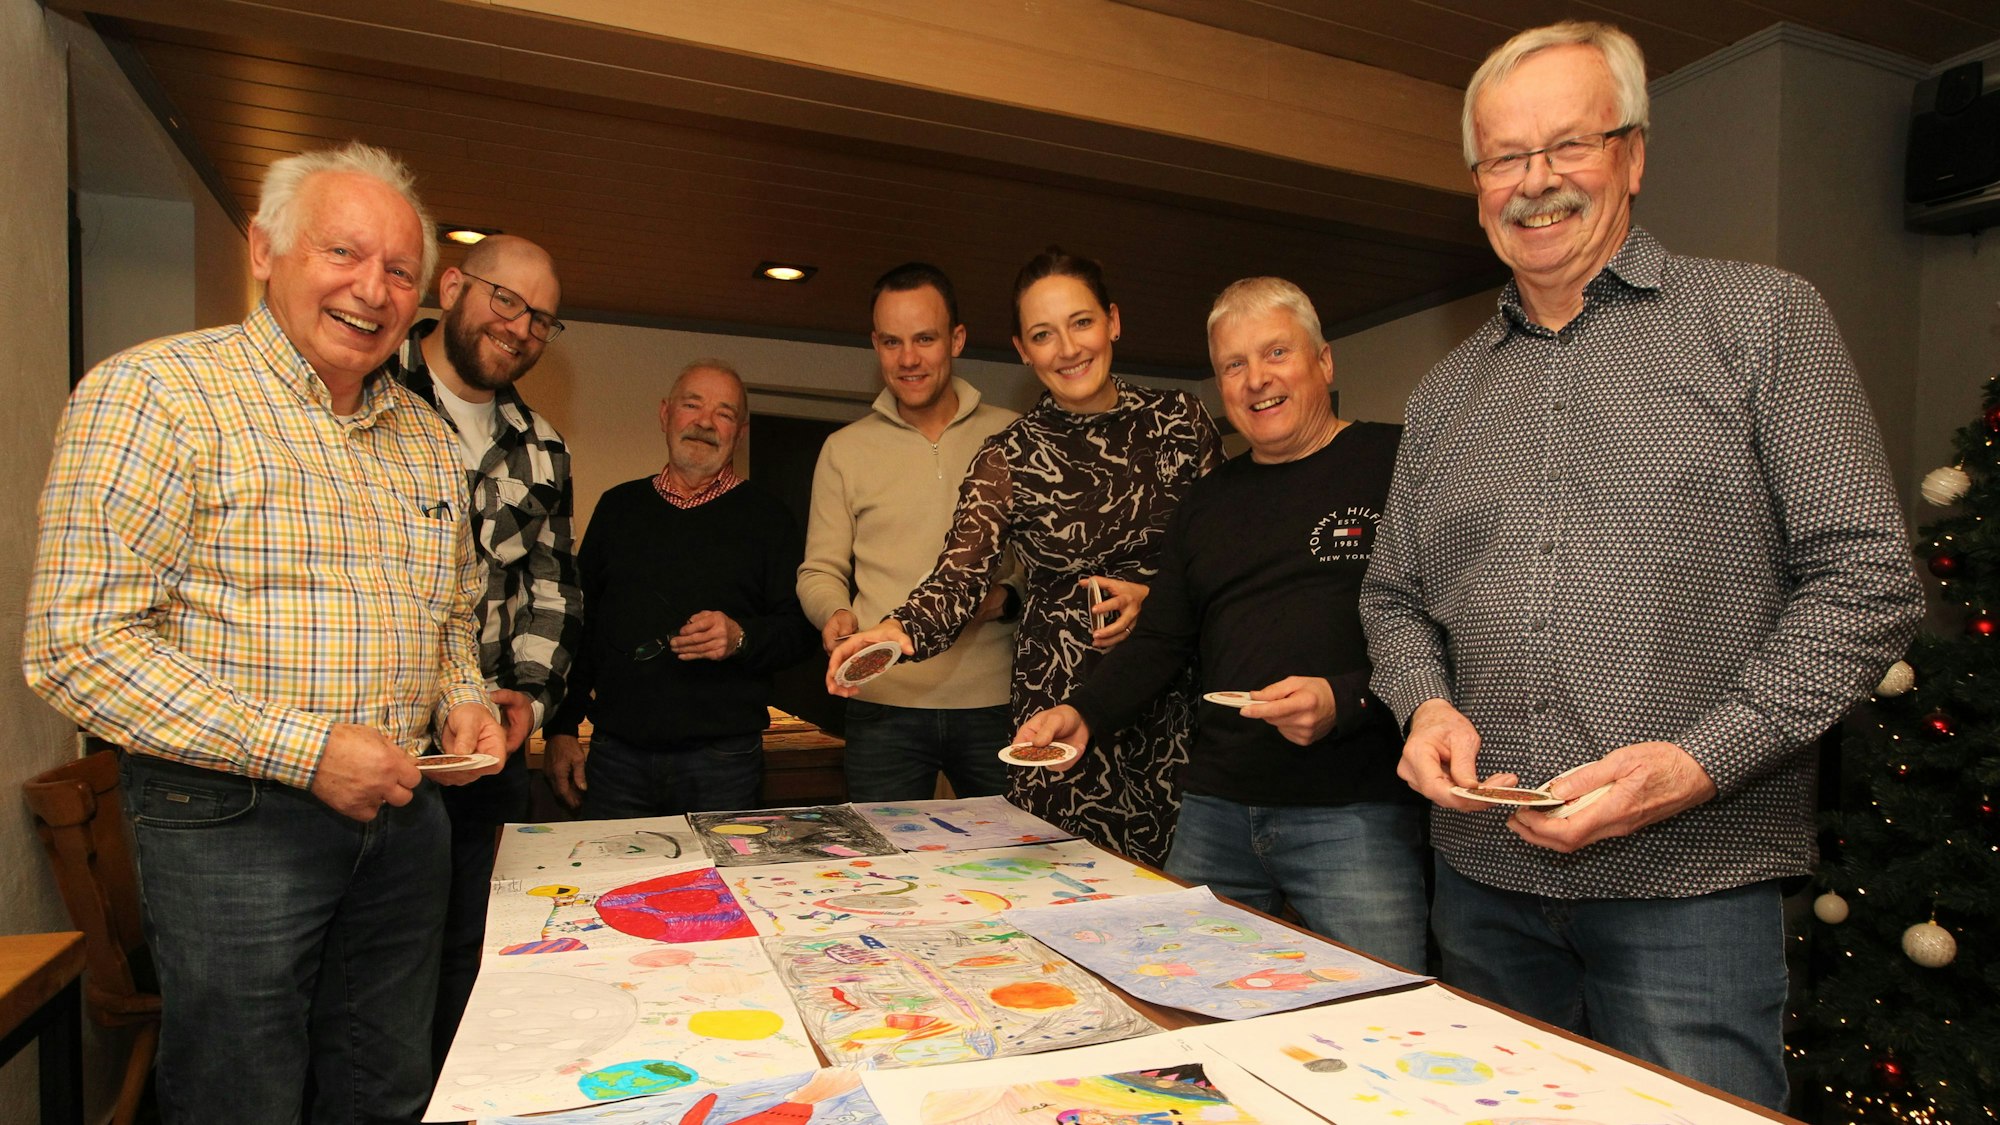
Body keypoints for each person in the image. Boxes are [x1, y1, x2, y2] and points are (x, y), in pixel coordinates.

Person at [1356, 21, 1925, 1108]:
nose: (1533, 183)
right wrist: (1424, 705)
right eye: (1502, 158)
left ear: (1632, 153)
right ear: (1476, 184)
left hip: (1692, 885)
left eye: (1565, 144)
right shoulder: (1442, 395)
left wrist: (1695, 764)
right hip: (1479, 882)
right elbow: (1391, 598)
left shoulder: (1759, 320)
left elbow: (1862, 581)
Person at [22, 142, 505, 1124]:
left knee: (385, 1086)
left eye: (399, 270)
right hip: (230, 825)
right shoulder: (152, 396)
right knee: (240, 1095)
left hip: (406, 809)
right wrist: (309, 749)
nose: (371, 289)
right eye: (343, 252)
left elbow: (452, 613)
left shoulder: (421, 435)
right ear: (263, 249)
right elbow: (75, 646)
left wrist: (461, 697)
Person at [1015, 277, 1426, 968]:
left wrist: (1344, 697)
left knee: (1379, 1013)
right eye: (1234, 365)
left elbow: (1446, 628)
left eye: (1275, 353)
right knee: (1179, 993)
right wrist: (1081, 712)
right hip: (1216, 805)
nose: (1256, 379)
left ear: (1323, 361)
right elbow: (1161, 640)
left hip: (1354, 808)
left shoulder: (1399, 462)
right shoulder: (1206, 501)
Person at [829, 247, 1223, 866]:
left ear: (1113, 321)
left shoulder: (1182, 421)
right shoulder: (1007, 454)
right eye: (1043, 334)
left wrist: (1156, 598)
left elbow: (1220, 561)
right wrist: (893, 631)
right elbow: (958, 577)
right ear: (1022, 349)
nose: (1067, 348)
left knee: (1174, 919)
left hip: (1170, 706)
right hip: (1057, 711)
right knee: (1056, 900)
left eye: (1081, 322)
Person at [391, 233, 583, 1070]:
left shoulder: (541, 445)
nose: (521, 327)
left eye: (541, 318)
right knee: (380, 973)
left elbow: (554, 586)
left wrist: (533, 701)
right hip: (382, 741)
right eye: (508, 300)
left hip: (492, 750)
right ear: (454, 282)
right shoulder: (365, 389)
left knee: (478, 955)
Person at [545, 360, 816, 818]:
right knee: (615, 887)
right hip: (615, 759)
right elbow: (579, 625)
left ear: (740, 431)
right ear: (665, 413)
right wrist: (562, 727)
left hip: (723, 764)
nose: (705, 422)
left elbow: (801, 633)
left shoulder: (770, 519)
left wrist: (742, 638)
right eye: (692, 405)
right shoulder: (618, 508)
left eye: (724, 413)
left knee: (721, 889)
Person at [797, 262, 1020, 802]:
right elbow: (819, 569)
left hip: (999, 703)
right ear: (875, 345)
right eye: (892, 341)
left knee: (1019, 864)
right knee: (885, 870)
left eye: (925, 338)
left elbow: (1051, 566)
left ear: (957, 339)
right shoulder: (843, 450)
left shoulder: (1015, 435)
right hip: (883, 704)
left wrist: (1004, 599)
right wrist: (836, 614)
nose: (909, 358)